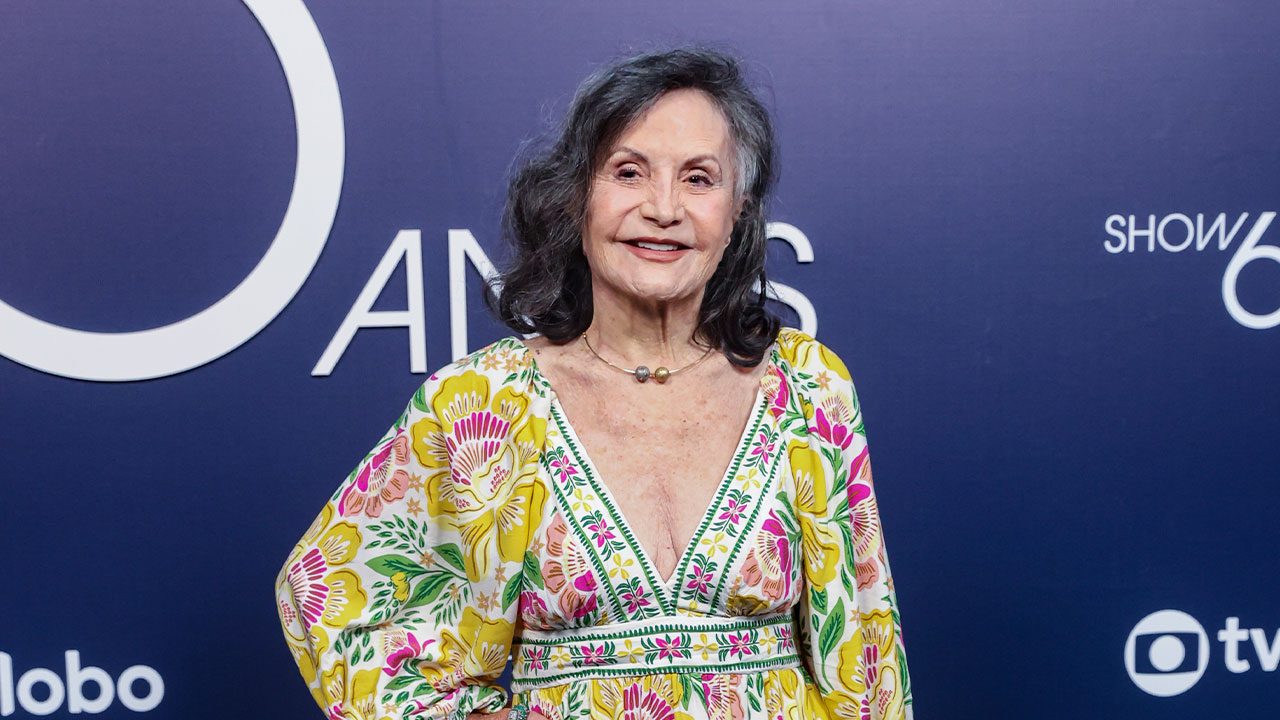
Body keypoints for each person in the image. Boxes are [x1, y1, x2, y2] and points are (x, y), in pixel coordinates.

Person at [275, 47, 912, 720]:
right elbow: (325, 600)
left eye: (699, 178)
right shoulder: (482, 407)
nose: (662, 208)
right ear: (579, 194)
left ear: (738, 212)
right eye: (628, 171)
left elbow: (866, 648)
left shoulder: (808, 389)